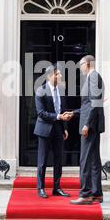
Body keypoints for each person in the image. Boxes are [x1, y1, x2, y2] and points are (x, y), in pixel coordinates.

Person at [68, 55, 105, 205]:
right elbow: (87, 105)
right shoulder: (92, 77)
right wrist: (74, 113)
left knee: (84, 159)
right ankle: (96, 193)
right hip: (92, 124)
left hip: (90, 126)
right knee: (95, 160)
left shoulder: (94, 77)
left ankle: (86, 194)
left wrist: (86, 124)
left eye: (81, 64)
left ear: (88, 63)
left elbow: (94, 104)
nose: (80, 67)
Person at [34, 64, 72, 199]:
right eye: (58, 74)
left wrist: (65, 127)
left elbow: (63, 109)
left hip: (58, 128)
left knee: (58, 160)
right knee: (42, 160)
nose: (61, 76)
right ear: (50, 76)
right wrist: (58, 117)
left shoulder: (61, 90)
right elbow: (41, 113)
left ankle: (57, 188)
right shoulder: (41, 91)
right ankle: (41, 188)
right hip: (44, 128)